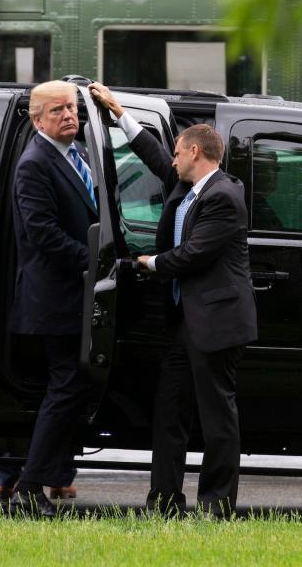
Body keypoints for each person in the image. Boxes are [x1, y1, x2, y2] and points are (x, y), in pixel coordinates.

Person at [90, 83, 257, 518]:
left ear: (197, 153)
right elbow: (153, 155)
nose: (174, 160)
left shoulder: (223, 196)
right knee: (170, 413)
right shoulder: (189, 186)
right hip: (185, 323)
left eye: (180, 154)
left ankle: (216, 505)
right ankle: (163, 502)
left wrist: (149, 263)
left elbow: (195, 253)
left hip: (216, 323)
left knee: (217, 417)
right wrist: (120, 113)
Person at [10, 80, 97, 517]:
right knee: (65, 387)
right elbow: (42, 234)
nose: (69, 115)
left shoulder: (76, 153)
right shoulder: (35, 163)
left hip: (75, 294)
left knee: (71, 387)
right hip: (55, 298)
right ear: (37, 118)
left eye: (73, 107)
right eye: (59, 110)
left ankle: (53, 476)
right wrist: (95, 262)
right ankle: (29, 487)